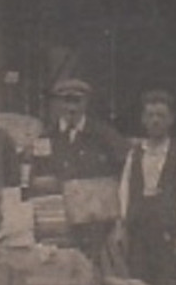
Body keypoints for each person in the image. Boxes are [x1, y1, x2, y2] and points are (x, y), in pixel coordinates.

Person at [31, 78, 130, 268]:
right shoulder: (46, 138)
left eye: (77, 101)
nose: (71, 108)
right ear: (57, 104)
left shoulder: (104, 136)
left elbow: (127, 170)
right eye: (66, 101)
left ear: (86, 103)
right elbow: (37, 178)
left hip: (98, 225)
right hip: (60, 222)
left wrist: (118, 218)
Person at [117, 90, 176, 285]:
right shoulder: (135, 153)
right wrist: (120, 227)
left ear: (171, 119)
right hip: (139, 235)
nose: (155, 120)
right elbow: (124, 192)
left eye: (161, 115)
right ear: (143, 120)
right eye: (150, 115)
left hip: (169, 237)